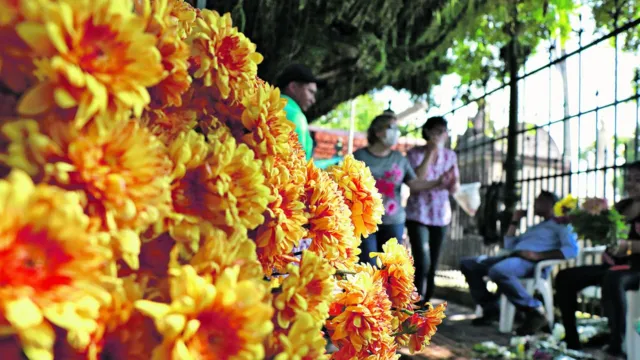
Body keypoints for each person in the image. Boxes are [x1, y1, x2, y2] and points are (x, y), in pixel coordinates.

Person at [459, 191, 579, 335]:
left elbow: (572, 250)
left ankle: (535, 311)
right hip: (511, 257)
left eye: (538, 201)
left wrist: (537, 255)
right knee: (468, 264)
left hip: (529, 264)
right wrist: (515, 220)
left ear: (550, 204)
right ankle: (491, 309)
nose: (534, 203)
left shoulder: (561, 225)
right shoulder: (536, 227)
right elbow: (509, 245)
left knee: (499, 271)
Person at [555, 161, 640, 357]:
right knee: (565, 277)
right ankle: (571, 340)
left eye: (638, 180)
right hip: (611, 265)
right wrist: (585, 220)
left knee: (612, 279)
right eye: (629, 179)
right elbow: (606, 234)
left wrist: (628, 247)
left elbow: (626, 244)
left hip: (635, 269)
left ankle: (617, 344)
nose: (632, 184)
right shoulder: (621, 206)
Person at [353, 113, 453, 265]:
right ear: (378, 132)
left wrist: (437, 182)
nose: (397, 133)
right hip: (364, 222)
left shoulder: (399, 158)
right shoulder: (359, 156)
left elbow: (413, 183)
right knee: (368, 266)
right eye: (392, 128)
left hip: (393, 222)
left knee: (389, 269)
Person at [406, 116, 460, 305]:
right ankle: (415, 299)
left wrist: (451, 182)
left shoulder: (451, 156)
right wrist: (431, 152)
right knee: (422, 260)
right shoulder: (414, 154)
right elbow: (415, 182)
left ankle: (426, 301)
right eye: (436, 131)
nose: (440, 135)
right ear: (428, 132)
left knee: (434, 262)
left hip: (441, 215)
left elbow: (454, 188)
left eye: (443, 131)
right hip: (417, 214)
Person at [276, 63, 326, 161]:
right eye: (310, 92)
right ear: (293, 87)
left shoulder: (264, 103)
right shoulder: (296, 116)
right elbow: (299, 163)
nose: (313, 100)